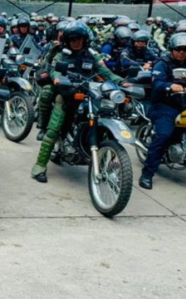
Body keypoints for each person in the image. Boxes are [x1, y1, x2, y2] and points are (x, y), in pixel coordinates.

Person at [30, 21, 125, 183]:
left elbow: (106, 72)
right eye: (73, 39)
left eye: (80, 39)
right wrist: (59, 79)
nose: (77, 42)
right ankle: (39, 166)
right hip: (66, 95)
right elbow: (54, 70)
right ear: (67, 40)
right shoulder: (62, 55)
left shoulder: (92, 55)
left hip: (89, 94)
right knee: (53, 130)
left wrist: (123, 83)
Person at [139, 33, 186, 190]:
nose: (182, 52)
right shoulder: (162, 64)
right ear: (172, 49)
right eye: (178, 49)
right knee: (164, 135)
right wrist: (170, 86)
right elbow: (157, 82)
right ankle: (147, 174)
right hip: (164, 105)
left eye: (185, 49)